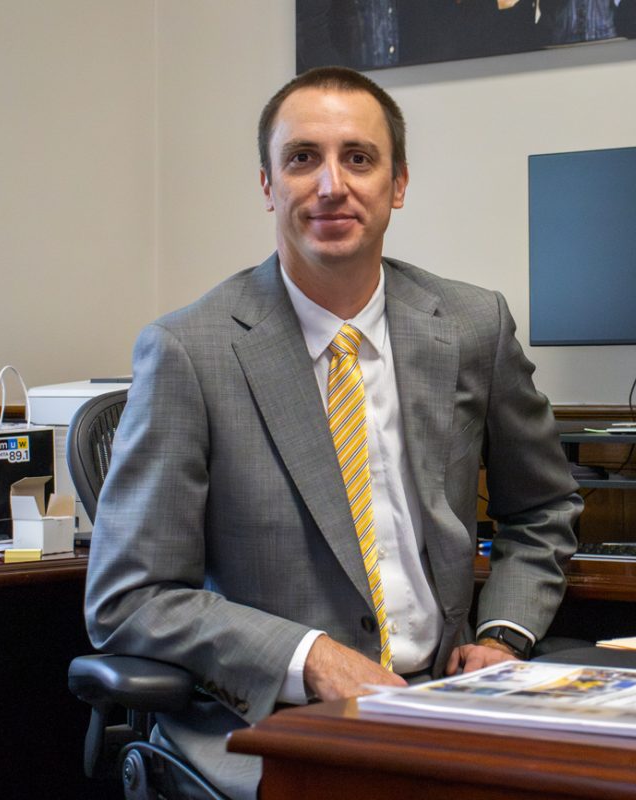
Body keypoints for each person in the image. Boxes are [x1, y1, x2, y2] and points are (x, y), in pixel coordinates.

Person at [84, 66, 581, 799]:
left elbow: (541, 511)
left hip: (441, 701)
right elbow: (131, 597)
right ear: (267, 186)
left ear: (397, 184)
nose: (330, 185)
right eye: (302, 159)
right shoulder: (190, 351)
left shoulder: (474, 326)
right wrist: (308, 656)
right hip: (273, 718)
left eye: (358, 157)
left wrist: (503, 636)